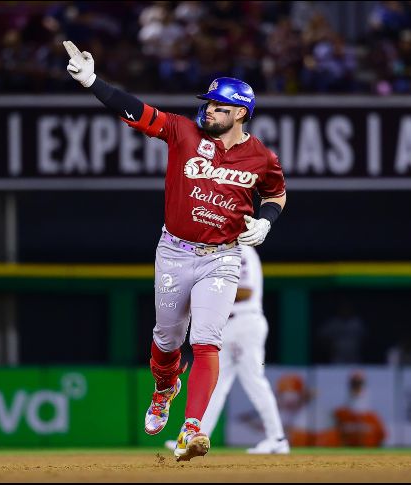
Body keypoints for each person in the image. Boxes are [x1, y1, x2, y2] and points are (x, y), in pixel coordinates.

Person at [63, 41, 287, 461]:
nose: (209, 110)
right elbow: (137, 111)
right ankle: (165, 388)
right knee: (167, 341)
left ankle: (192, 429)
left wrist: (266, 221)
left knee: (206, 341)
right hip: (174, 252)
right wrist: (93, 82)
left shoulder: (261, 157)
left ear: (241, 113)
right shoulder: (184, 132)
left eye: (219, 107)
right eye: (209, 104)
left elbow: (276, 193)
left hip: (221, 256)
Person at [163, 245, 290, 454]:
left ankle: (277, 439)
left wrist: (207, 292)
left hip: (244, 322)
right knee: (215, 385)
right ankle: (195, 437)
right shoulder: (221, 251)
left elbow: (246, 291)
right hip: (225, 326)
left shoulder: (242, 250)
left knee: (254, 381)